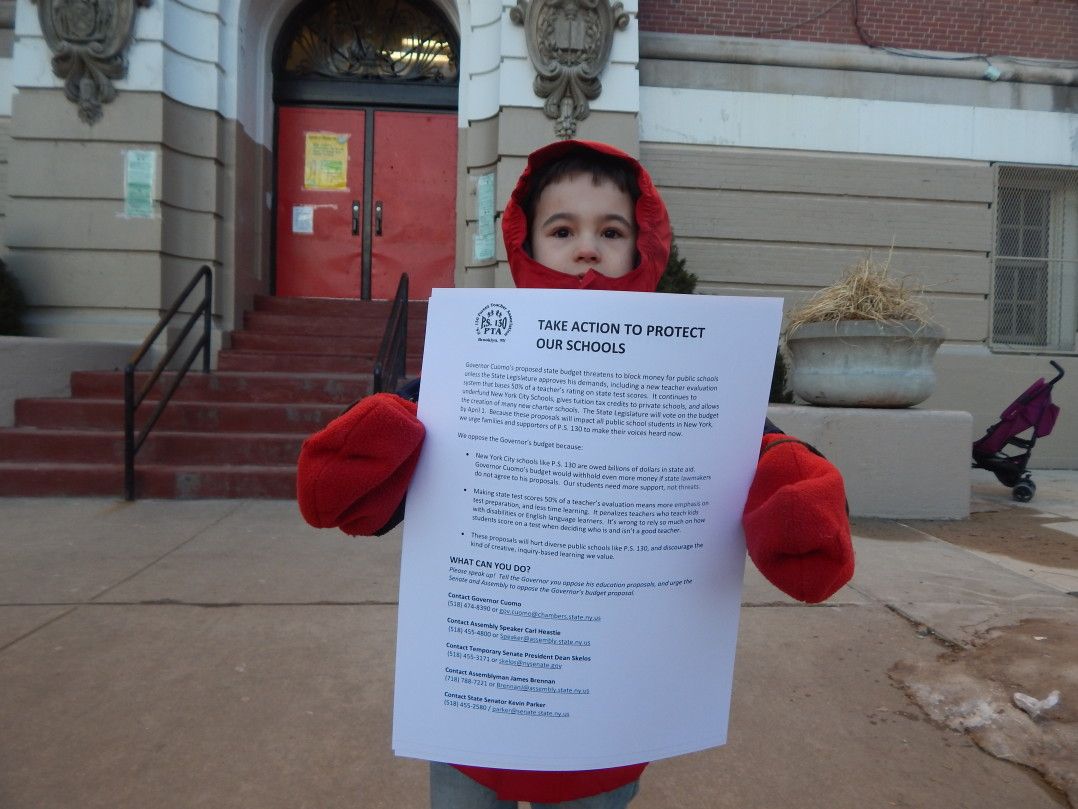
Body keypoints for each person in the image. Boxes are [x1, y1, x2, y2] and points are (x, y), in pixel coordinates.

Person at [296, 140, 854, 808]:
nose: (588, 247)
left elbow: (765, 471)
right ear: (525, 244)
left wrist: (788, 489)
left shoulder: (688, 379)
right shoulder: (470, 371)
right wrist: (371, 459)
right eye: (563, 229)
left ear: (642, 244)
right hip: (477, 716)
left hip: (607, 728)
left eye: (610, 230)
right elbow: (365, 494)